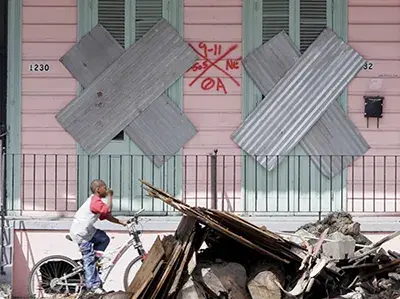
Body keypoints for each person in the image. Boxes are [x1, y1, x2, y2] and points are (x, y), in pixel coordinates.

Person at [69, 179, 126, 294]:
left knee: (104, 238)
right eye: (104, 188)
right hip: (81, 233)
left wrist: (122, 222)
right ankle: (93, 286)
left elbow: (107, 215)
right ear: (98, 189)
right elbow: (108, 210)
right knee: (89, 257)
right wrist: (110, 196)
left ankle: (92, 264)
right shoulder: (95, 201)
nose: (106, 189)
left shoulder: (96, 201)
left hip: (87, 231)